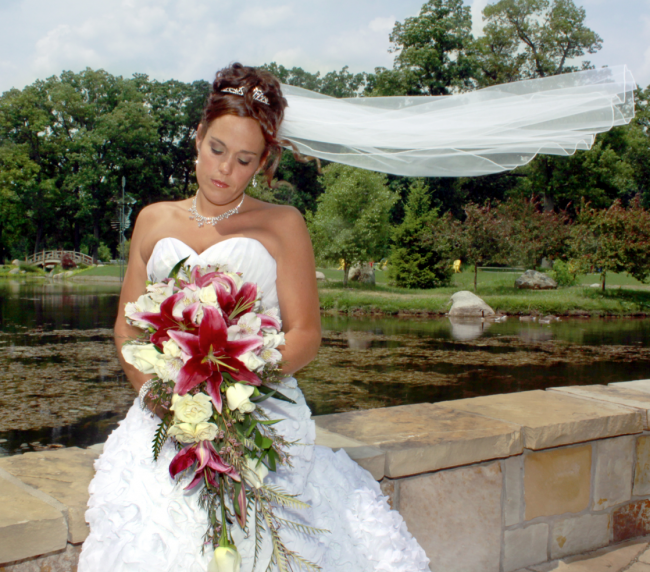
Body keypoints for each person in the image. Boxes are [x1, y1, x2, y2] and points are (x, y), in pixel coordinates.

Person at [78, 63, 431, 572]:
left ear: (263, 161)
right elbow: (127, 327)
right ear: (197, 138)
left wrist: (233, 380)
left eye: (244, 160)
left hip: (257, 408)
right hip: (166, 413)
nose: (225, 170)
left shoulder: (282, 224)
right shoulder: (153, 219)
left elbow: (306, 335)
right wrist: (162, 398)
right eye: (217, 150)